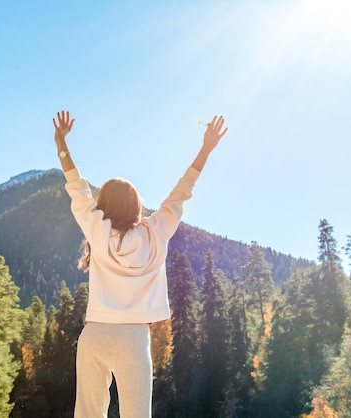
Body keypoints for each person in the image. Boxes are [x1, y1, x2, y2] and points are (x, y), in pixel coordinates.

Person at [53, 110, 228, 418]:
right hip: (133, 338)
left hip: (94, 335)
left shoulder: (97, 228)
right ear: (136, 206)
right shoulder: (155, 232)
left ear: (104, 206)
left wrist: (61, 144)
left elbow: (77, 188)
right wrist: (206, 149)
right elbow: (181, 193)